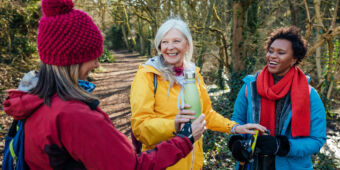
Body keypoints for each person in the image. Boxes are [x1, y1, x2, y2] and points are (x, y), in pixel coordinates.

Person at [2, 0, 207, 169]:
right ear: (74, 58)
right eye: (93, 55)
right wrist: (185, 139)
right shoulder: (74, 115)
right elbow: (132, 167)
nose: (97, 63)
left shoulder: (32, 103)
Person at [130, 18, 267, 170]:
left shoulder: (193, 75)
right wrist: (174, 125)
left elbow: (206, 114)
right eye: (164, 42)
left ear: (187, 45)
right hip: (162, 164)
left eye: (176, 41)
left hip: (194, 164)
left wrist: (234, 128)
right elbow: (139, 127)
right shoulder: (147, 75)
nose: (170, 47)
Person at [228, 27, 327, 170]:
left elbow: (317, 139)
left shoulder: (309, 94)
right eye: (270, 51)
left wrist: (282, 146)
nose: (272, 56)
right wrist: (235, 141)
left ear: (294, 59)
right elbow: (237, 121)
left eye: (281, 53)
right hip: (251, 165)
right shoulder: (250, 87)